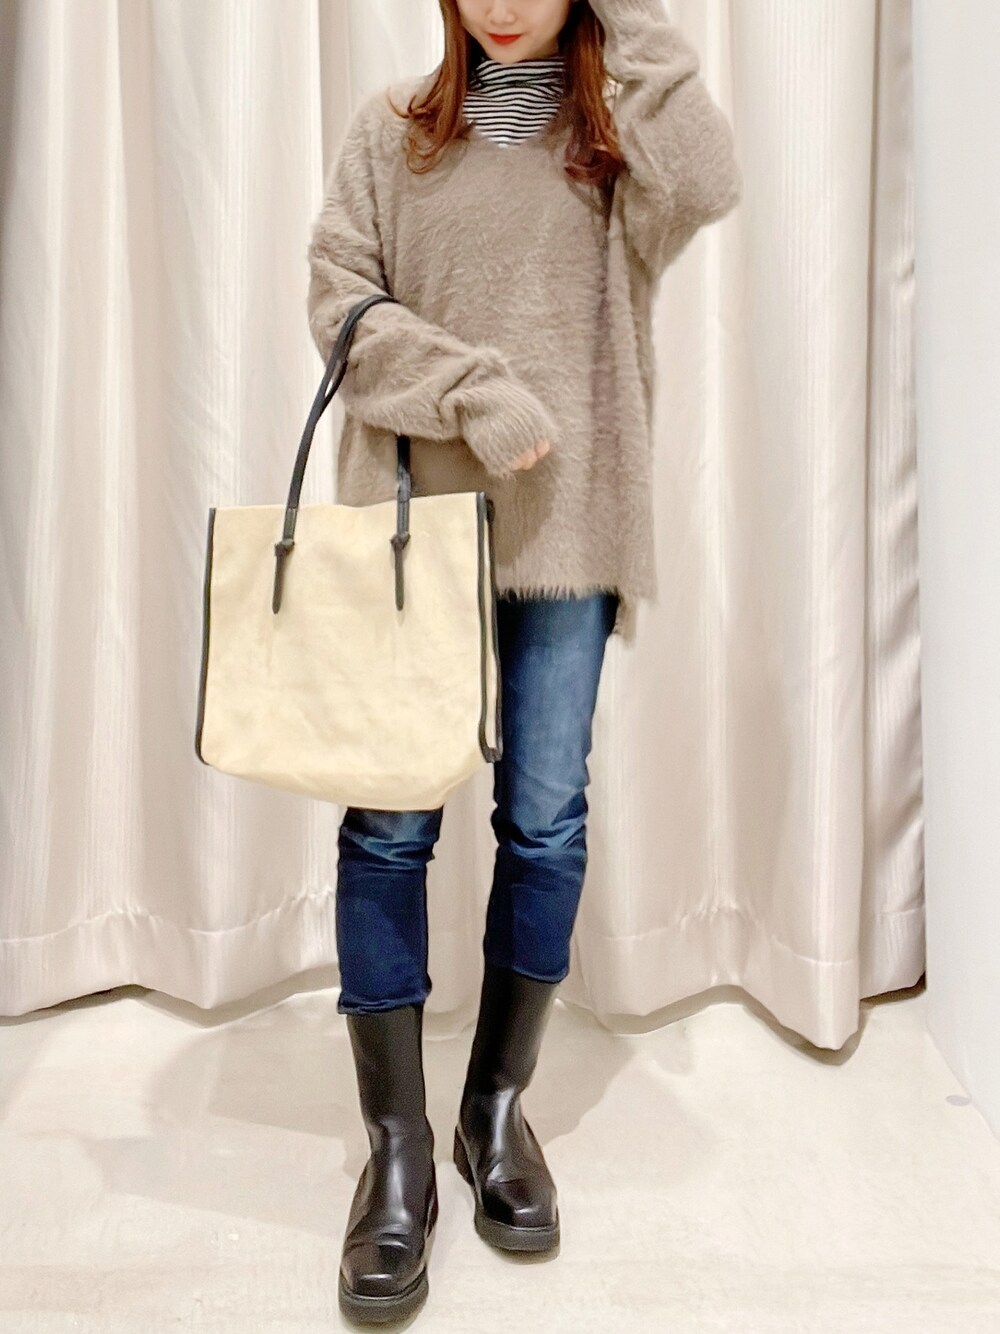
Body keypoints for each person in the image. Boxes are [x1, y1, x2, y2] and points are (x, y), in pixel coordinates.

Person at [306, 0, 742, 1323]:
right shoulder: (391, 132)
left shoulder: (622, 144)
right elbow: (340, 306)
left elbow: (712, 178)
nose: (501, 5)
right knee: (389, 825)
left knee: (545, 819)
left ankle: (493, 1110)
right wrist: (472, 387)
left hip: (572, 528)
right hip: (411, 536)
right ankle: (396, 1150)